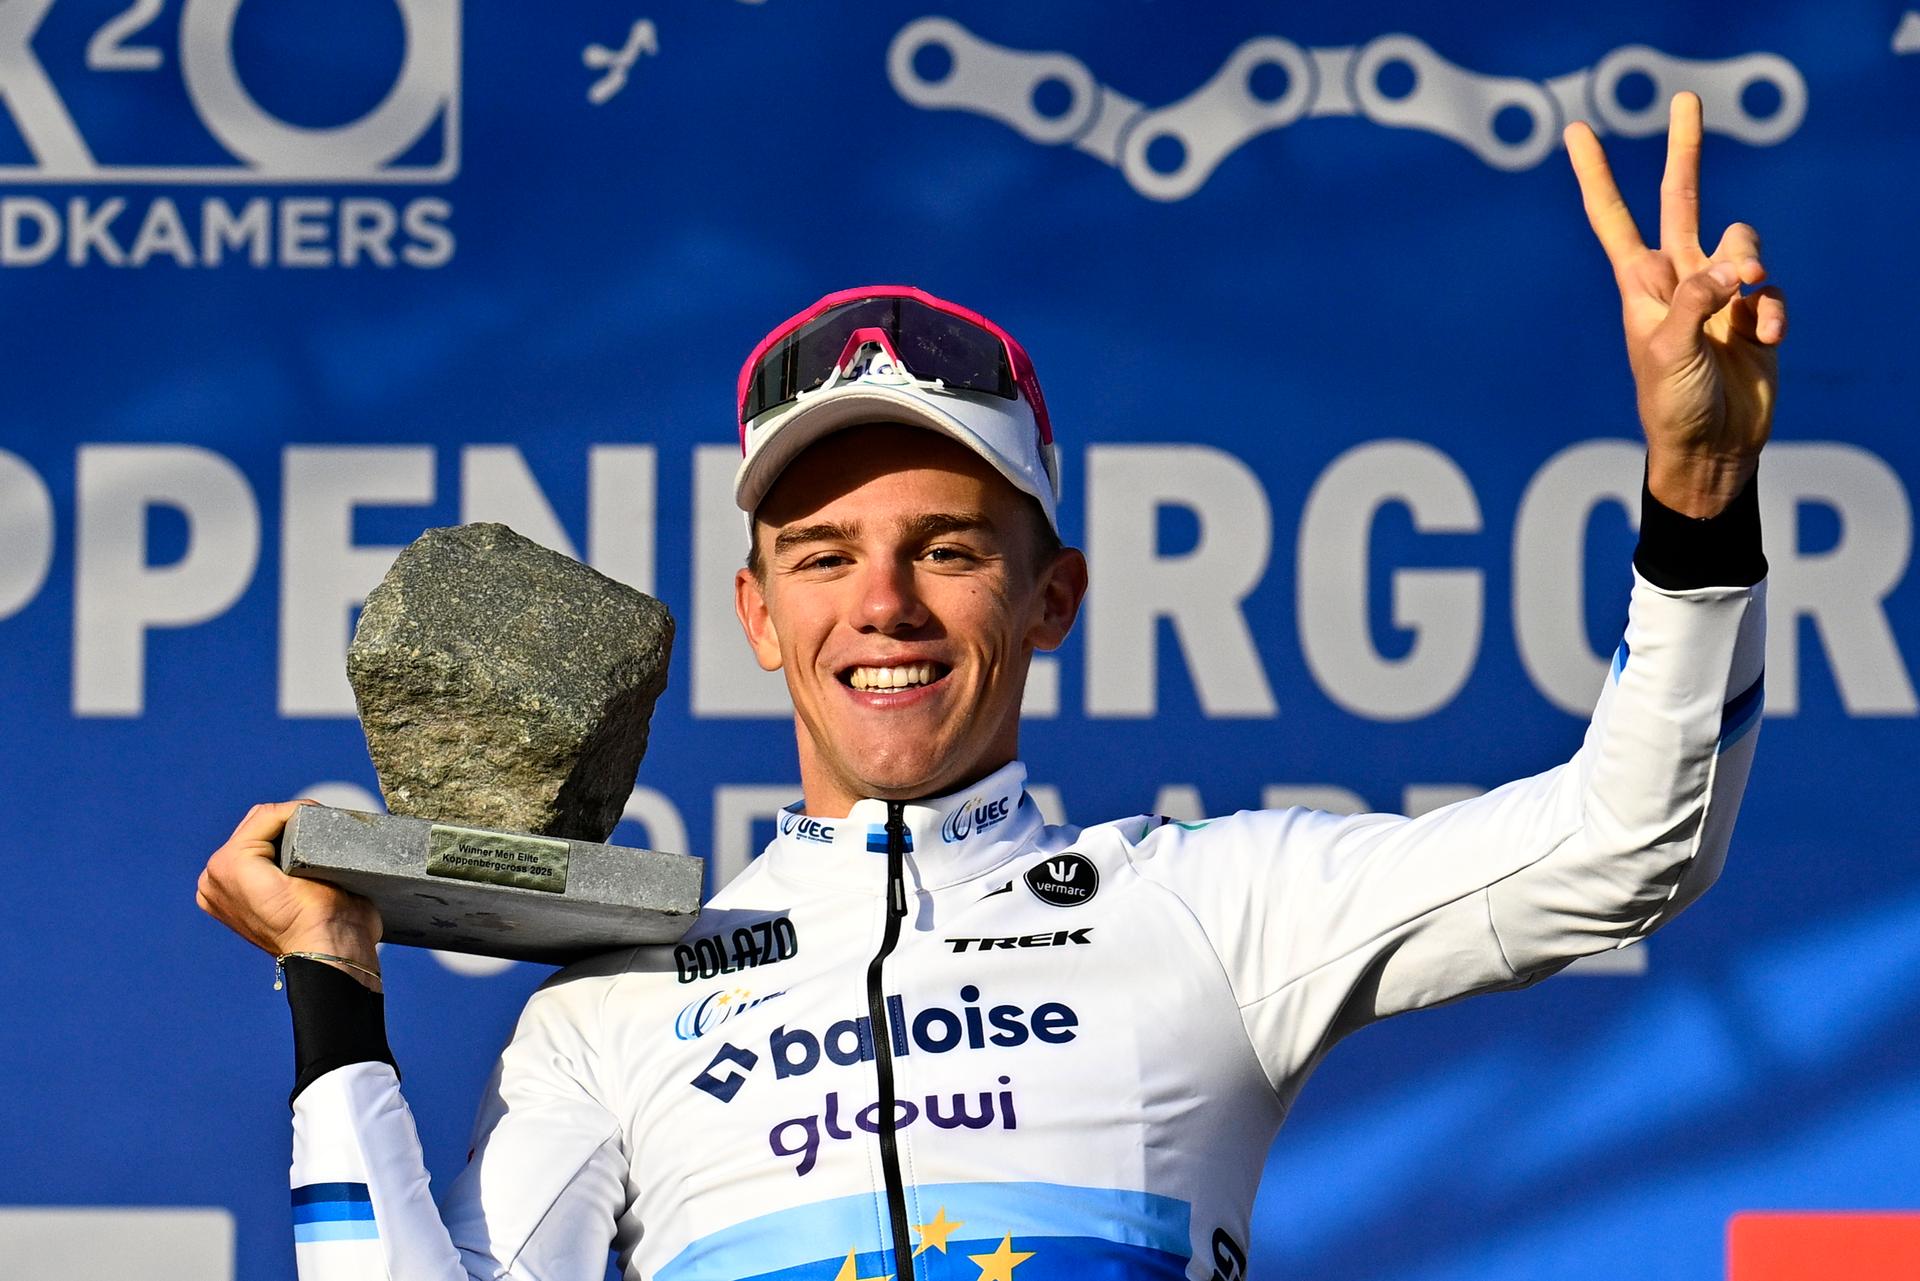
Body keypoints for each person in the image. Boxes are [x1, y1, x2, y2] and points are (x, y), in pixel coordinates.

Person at [198, 94, 1780, 1281]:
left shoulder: (1211, 907)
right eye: (823, 556)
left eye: (946, 548)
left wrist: (1698, 480)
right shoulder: (615, 997)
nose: (880, 601)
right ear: (758, 613)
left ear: (1053, 597)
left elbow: (1624, 844)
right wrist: (334, 986)